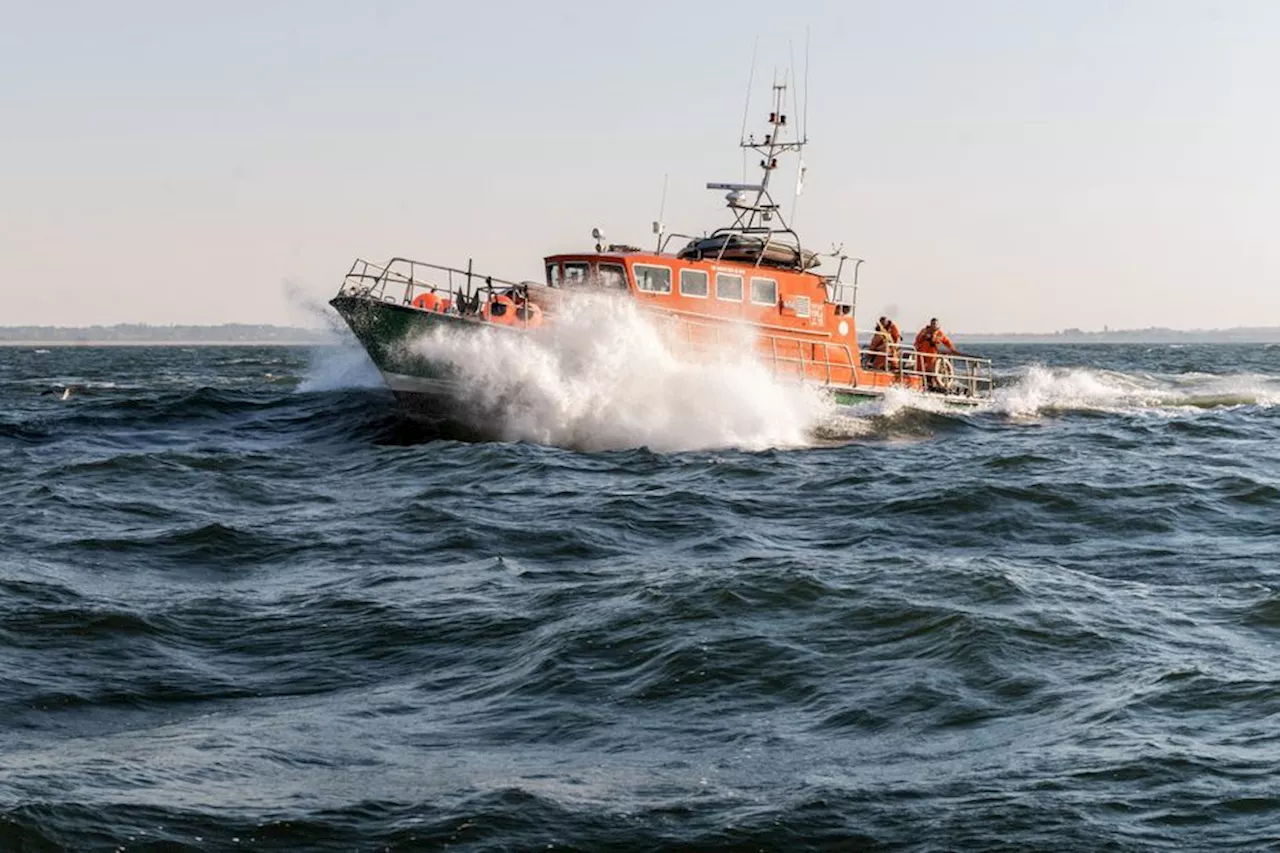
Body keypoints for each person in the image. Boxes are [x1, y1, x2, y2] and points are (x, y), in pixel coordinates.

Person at [914, 318, 962, 392]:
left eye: (935, 324)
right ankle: (921, 385)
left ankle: (933, 386)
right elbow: (917, 340)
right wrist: (920, 342)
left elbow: (947, 342)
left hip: (932, 355)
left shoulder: (940, 334)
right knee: (919, 370)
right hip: (921, 354)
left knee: (932, 371)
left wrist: (953, 350)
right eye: (932, 324)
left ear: (938, 325)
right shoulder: (924, 331)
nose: (934, 326)